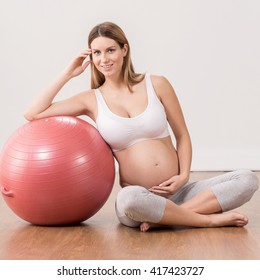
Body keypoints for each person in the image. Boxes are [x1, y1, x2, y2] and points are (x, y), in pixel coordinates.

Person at [24, 22, 259, 232]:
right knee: (127, 200)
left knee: (247, 179)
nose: (103, 59)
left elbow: (182, 135)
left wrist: (183, 175)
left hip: (181, 192)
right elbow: (32, 113)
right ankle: (206, 220)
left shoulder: (157, 84)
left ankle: (169, 218)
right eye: (97, 52)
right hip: (141, 200)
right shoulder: (91, 99)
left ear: (125, 50)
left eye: (110, 50)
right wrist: (68, 73)